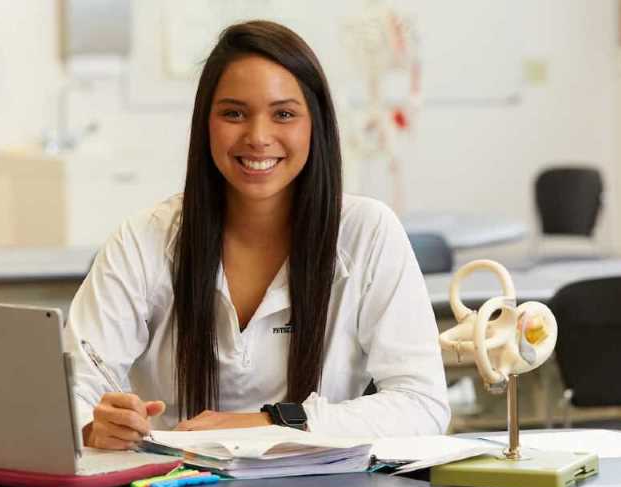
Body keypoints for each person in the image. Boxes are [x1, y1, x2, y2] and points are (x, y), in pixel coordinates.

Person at [65, 20, 450, 451]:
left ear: (314, 125)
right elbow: (71, 389)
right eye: (233, 113)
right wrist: (94, 426)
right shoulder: (144, 239)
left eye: (283, 114)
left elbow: (422, 405)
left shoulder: (368, 233)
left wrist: (271, 422)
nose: (258, 137)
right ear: (205, 124)